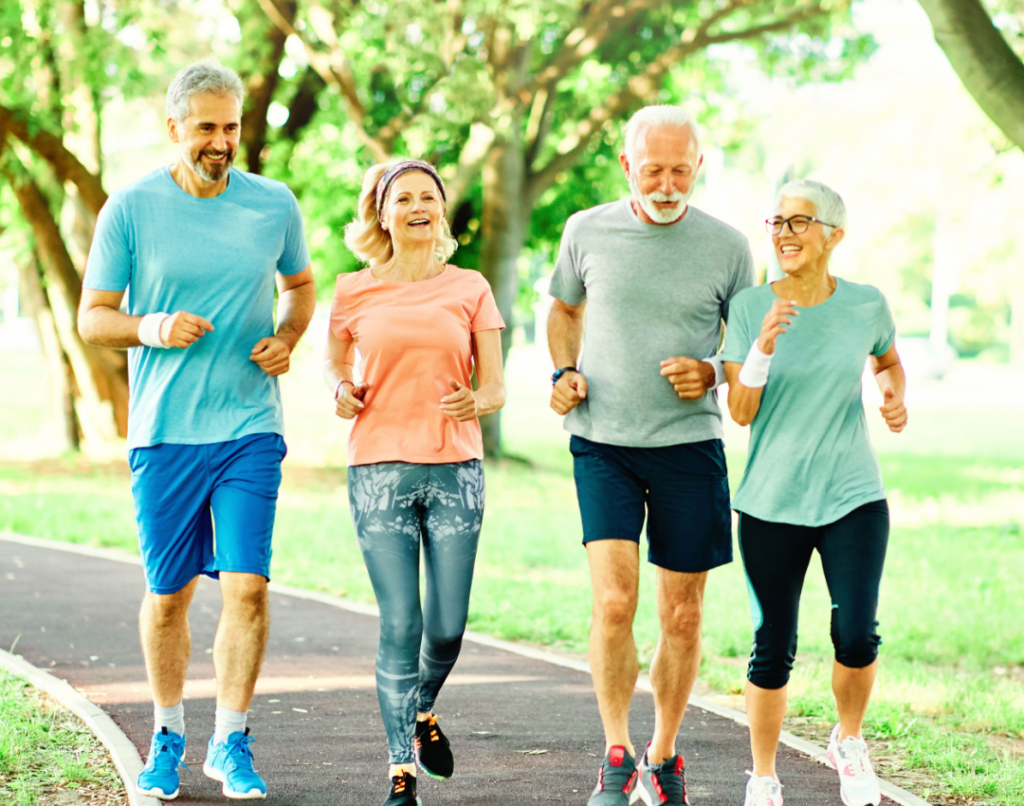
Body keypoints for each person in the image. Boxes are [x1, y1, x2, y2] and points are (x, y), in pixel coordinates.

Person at [78, 61, 315, 801]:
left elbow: (300, 288)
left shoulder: (272, 204)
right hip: (164, 430)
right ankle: (168, 735)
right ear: (174, 126)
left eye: (231, 126)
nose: (220, 140)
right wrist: (151, 327)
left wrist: (289, 336)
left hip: (249, 423)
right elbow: (94, 317)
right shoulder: (131, 207)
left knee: (246, 588)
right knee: (170, 595)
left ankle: (232, 739)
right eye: (206, 127)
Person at [546, 105, 754, 806]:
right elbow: (564, 311)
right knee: (613, 602)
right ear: (628, 166)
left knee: (683, 615)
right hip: (603, 442)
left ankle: (662, 756)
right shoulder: (586, 230)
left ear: (699, 167)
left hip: (689, 448)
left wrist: (713, 370)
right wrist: (562, 372)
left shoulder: (727, 246)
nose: (667, 184)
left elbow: (747, 347)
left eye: (680, 169)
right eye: (653, 169)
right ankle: (615, 755)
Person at [325, 159, 505, 806]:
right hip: (378, 470)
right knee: (401, 620)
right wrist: (341, 390)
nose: (418, 205)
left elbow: (496, 385)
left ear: (442, 212)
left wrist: (477, 403)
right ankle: (401, 769)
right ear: (382, 213)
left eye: (429, 196)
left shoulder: (470, 287)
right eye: (404, 197)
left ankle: (422, 707)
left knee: (448, 626)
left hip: (456, 469)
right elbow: (333, 366)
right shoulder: (351, 290)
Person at [721, 180, 907, 806]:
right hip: (771, 501)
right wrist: (762, 348)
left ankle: (848, 740)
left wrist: (893, 393)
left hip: (853, 495)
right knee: (773, 644)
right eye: (776, 222)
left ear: (833, 235)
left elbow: (885, 358)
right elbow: (740, 412)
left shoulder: (865, 304)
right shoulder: (750, 307)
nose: (783, 234)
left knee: (857, 633)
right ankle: (765, 775)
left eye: (798, 223)